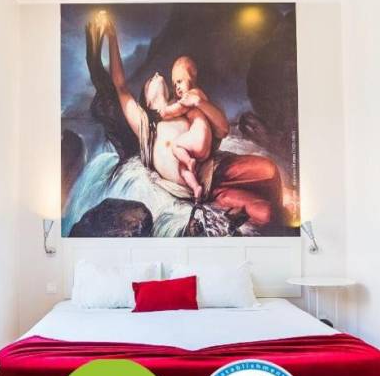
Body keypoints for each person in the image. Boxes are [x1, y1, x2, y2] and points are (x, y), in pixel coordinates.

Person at [97, 14, 285, 230]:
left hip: (217, 169)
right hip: (207, 192)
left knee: (269, 170)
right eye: (151, 80)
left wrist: (200, 103)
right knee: (265, 214)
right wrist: (112, 36)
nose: (157, 74)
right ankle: (224, 206)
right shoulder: (146, 127)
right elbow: (120, 87)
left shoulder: (182, 107)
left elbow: (223, 129)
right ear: (146, 100)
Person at [159, 57, 217, 200]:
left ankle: (190, 162)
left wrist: (164, 111)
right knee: (182, 168)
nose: (177, 87)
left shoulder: (193, 94)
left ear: (191, 77)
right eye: (174, 85)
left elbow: (175, 110)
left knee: (175, 146)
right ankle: (196, 188)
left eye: (179, 81)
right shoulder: (197, 96)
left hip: (199, 139)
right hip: (205, 149)